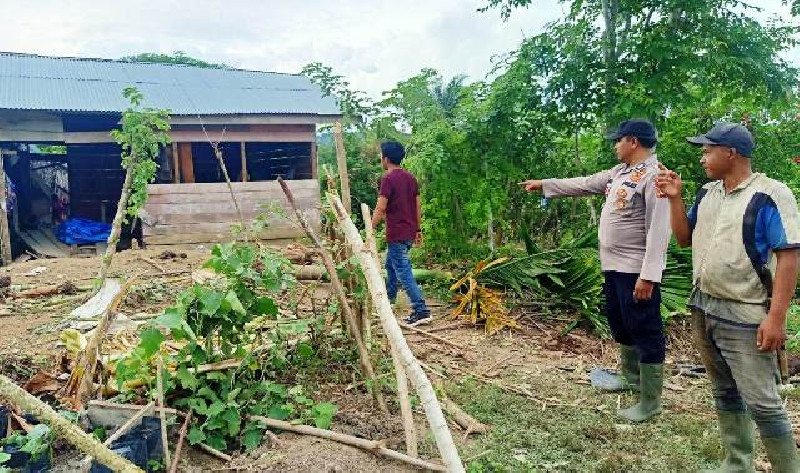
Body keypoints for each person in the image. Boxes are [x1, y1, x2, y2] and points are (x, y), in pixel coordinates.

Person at [656, 122, 799, 472]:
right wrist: (675, 198)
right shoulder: (708, 193)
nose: (703, 157)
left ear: (730, 152)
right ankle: (737, 463)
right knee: (724, 391)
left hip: (746, 313)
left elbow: (790, 255)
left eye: (708, 150)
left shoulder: (769, 194)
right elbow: (684, 239)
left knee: (763, 402)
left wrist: (776, 318)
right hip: (704, 306)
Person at [522, 119, 671, 422]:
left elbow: (659, 230)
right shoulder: (621, 173)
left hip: (636, 270)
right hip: (614, 267)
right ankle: (630, 377)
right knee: (621, 324)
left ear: (632, 142)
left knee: (645, 330)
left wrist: (649, 275)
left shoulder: (655, 177)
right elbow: (585, 182)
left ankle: (651, 401)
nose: (615, 146)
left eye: (618, 141)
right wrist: (545, 185)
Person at [371, 141, 431, 326]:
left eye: (381, 156)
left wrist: (369, 229)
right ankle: (389, 300)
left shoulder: (388, 179)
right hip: (409, 232)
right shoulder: (410, 178)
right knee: (391, 266)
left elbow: (381, 208)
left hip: (396, 233)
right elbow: (417, 206)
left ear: (386, 159)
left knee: (404, 272)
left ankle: (421, 310)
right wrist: (418, 229)